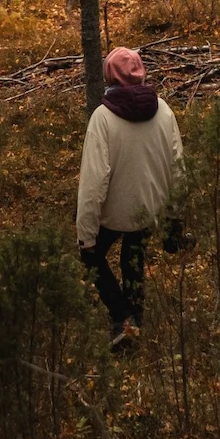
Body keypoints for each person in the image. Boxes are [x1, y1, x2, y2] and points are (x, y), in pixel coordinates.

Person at [76, 46, 184, 351]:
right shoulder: (163, 111)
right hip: (148, 209)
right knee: (132, 258)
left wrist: (85, 235)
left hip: (113, 213)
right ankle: (135, 321)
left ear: (110, 77)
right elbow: (178, 165)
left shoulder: (103, 118)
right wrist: (175, 219)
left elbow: (93, 183)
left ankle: (122, 318)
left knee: (92, 258)